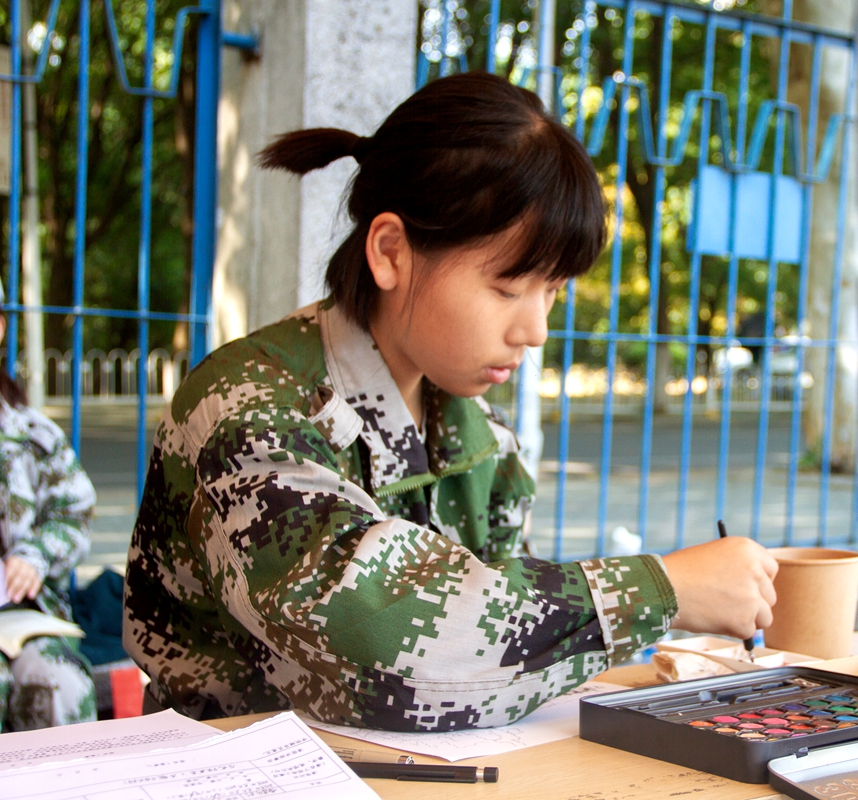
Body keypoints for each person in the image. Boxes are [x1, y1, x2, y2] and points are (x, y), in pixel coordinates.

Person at [123, 72, 777, 732]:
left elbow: (502, 658)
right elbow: (390, 658)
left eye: (552, 292)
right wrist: (659, 591)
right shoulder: (249, 412)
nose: (536, 330)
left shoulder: (481, 440)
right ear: (390, 252)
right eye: (508, 287)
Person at [0, 315, 97, 731]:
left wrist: (34, 556)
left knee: (63, 684)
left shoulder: (32, 435)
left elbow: (72, 514)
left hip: (18, 617)